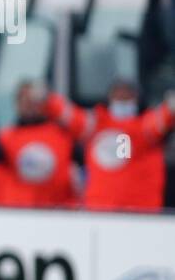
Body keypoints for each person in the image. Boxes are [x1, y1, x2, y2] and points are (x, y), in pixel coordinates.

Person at [44, 81, 175, 212]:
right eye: (118, 94)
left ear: (137, 98)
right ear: (109, 97)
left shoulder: (144, 128)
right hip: (100, 211)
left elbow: (163, 118)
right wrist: (48, 99)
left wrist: (170, 107)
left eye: (127, 95)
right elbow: (69, 115)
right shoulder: (95, 125)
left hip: (141, 212)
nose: (122, 98)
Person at [0, 81, 79, 209]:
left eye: (33, 101)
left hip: (57, 212)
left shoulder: (63, 136)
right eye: (24, 101)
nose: (29, 106)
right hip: (19, 212)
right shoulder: (3, 138)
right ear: (17, 104)